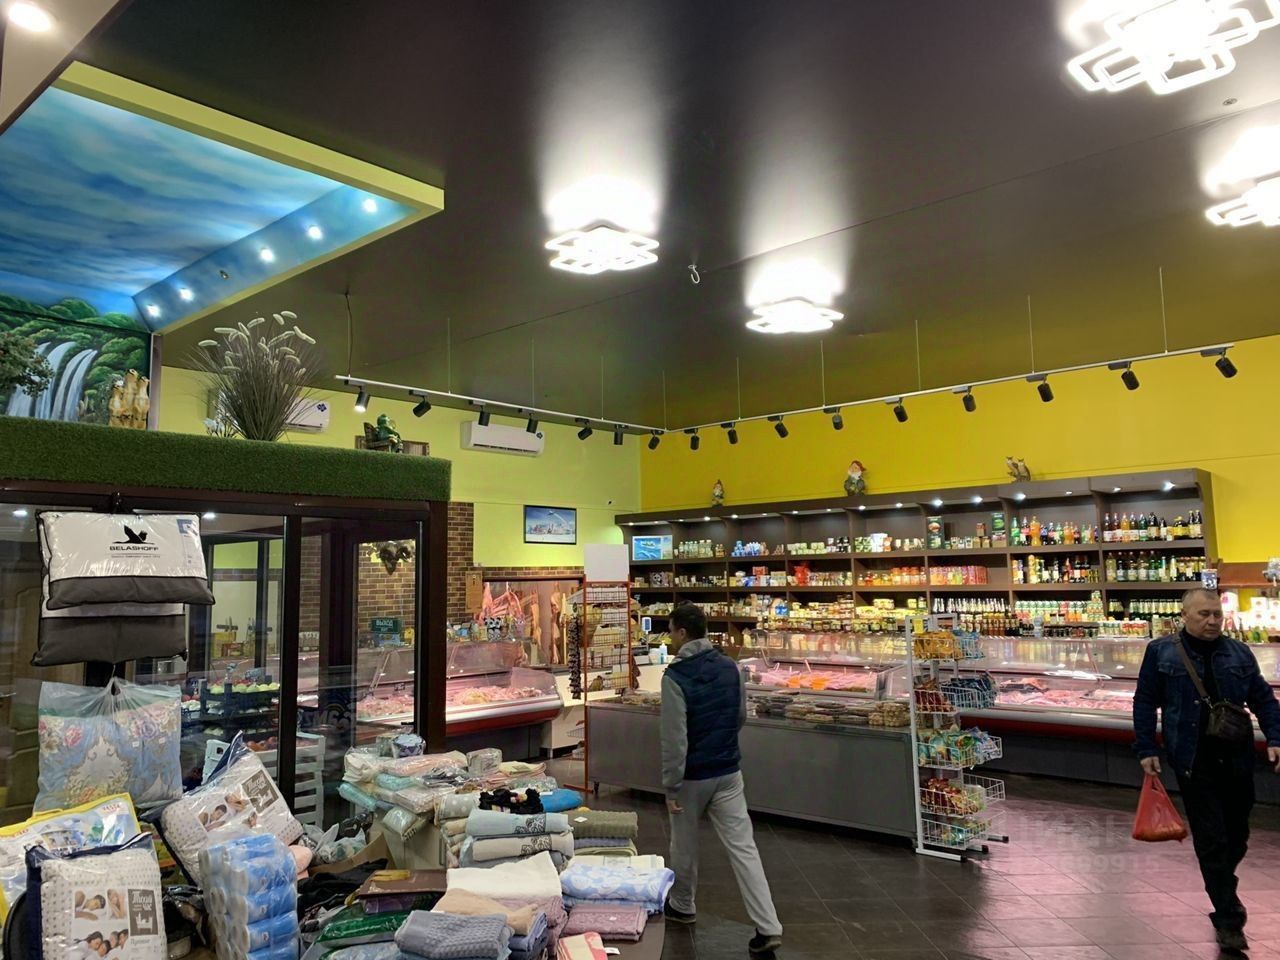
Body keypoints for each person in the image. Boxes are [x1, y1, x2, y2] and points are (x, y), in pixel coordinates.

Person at [1134, 588, 1280, 952]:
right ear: (1184, 615)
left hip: (1237, 757)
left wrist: (1275, 736)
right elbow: (1145, 700)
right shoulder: (1161, 652)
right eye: (1204, 614)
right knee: (1211, 839)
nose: (1213, 621)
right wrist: (1146, 747)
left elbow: (1262, 697)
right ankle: (1229, 917)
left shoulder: (1239, 652)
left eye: (1217, 614)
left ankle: (1222, 881)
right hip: (1192, 759)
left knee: (1237, 835)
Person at [660, 602, 782, 958]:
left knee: (684, 846)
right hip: (729, 772)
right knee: (745, 849)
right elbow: (740, 715)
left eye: (672, 631)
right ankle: (768, 926)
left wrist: (671, 785)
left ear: (683, 632)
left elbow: (675, 740)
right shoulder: (731, 667)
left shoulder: (675, 677)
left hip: (691, 778)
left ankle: (682, 904)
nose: (670, 637)